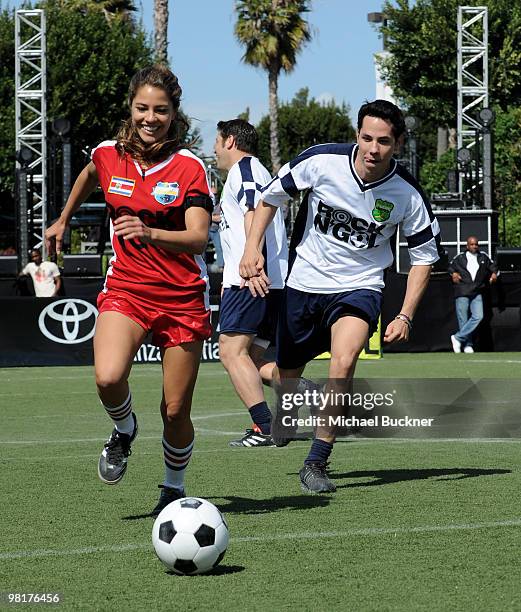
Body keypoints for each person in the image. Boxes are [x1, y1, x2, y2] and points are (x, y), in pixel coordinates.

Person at [240, 99, 442, 493]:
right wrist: (252, 249)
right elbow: (269, 198)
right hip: (305, 284)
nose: (372, 148)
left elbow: (423, 258)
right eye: (366, 138)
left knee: (344, 361)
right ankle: (292, 398)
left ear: (398, 144)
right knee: (282, 374)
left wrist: (404, 315)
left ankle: (317, 460)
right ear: (356, 135)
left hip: (361, 286)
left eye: (383, 141)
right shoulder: (321, 161)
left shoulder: (407, 194)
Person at [45, 65, 213, 515]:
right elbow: (88, 174)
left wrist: (151, 233)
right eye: (143, 108)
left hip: (181, 298)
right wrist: (63, 218)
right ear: (131, 107)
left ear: (175, 114)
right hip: (127, 289)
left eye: (161, 110)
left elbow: (199, 238)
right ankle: (124, 430)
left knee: (175, 410)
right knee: (107, 377)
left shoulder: (190, 168)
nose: (150, 118)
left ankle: (173, 486)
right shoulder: (108, 154)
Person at [214, 119, 288, 447]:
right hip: (265, 277)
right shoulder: (253, 170)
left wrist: (251, 260)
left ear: (230, 140)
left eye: (217, 141)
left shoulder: (244, 169)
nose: (214, 149)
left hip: (252, 279)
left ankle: (265, 427)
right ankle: (309, 392)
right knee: (255, 361)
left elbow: (254, 210)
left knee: (231, 352)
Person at [448, 236, 498, 353]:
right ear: (467, 246)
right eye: (472, 244)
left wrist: (494, 274)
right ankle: (467, 345)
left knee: (478, 316)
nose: (474, 246)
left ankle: (457, 337)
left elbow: (494, 267)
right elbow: (450, 267)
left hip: (477, 291)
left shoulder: (483, 257)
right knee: (463, 320)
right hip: (462, 290)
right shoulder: (460, 257)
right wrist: (453, 273)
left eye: (476, 244)